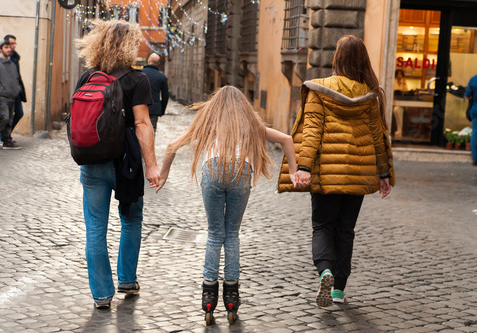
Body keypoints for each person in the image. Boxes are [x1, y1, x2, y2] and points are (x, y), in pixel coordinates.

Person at [156, 86, 297, 324]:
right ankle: (231, 297)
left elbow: (171, 146)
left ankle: (208, 298)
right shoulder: (250, 124)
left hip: (212, 171)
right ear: (243, 107)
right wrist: (293, 172)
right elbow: (286, 139)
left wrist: (163, 175)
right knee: (231, 235)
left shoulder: (208, 123)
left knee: (214, 234)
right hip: (241, 173)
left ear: (215, 105)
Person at [278, 35, 395, 307]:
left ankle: (325, 271)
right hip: (358, 174)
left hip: (326, 174)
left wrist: (304, 167)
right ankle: (339, 291)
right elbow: (379, 137)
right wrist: (384, 174)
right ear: (362, 59)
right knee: (346, 230)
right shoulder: (371, 94)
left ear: (337, 58)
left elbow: (312, 132)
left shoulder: (319, 90)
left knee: (322, 226)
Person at [74, 20, 160, 309]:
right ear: (128, 46)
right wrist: (152, 165)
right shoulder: (138, 80)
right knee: (131, 220)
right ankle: (127, 279)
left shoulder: (87, 77)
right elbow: (143, 124)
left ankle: (101, 294)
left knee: (95, 228)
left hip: (93, 163)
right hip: (127, 165)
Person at [0, 39, 22, 149]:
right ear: (0, 49)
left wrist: (17, 91)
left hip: (11, 96)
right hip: (0, 96)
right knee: (5, 117)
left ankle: (6, 141)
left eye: (9, 47)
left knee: (9, 120)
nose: (9, 49)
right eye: (6, 47)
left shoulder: (11, 64)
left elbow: (15, 79)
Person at [0, 34, 26, 145]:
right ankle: (3, 136)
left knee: (19, 113)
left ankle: (6, 135)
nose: (13, 46)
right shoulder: (3, 59)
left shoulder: (15, 57)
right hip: (7, 91)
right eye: (11, 43)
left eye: (14, 43)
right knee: (6, 116)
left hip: (16, 91)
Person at [141, 53, 169, 132]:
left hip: (140, 107)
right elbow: (165, 96)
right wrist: (162, 110)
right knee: (152, 130)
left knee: (140, 129)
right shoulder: (162, 77)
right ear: (158, 63)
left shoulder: (139, 74)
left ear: (148, 61)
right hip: (154, 108)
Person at [464, 74, 477, 166]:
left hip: (475, 110)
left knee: (475, 133)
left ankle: (475, 158)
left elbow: (467, 95)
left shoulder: (473, 80)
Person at [392, 69, 408, 138]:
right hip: (394, 102)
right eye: (398, 74)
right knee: (396, 110)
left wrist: (404, 83)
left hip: (402, 103)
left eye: (400, 74)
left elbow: (406, 91)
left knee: (397, 110)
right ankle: (399, 131)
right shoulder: (393, 81)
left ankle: (399, 131)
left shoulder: (404, 82)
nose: (399, 76)